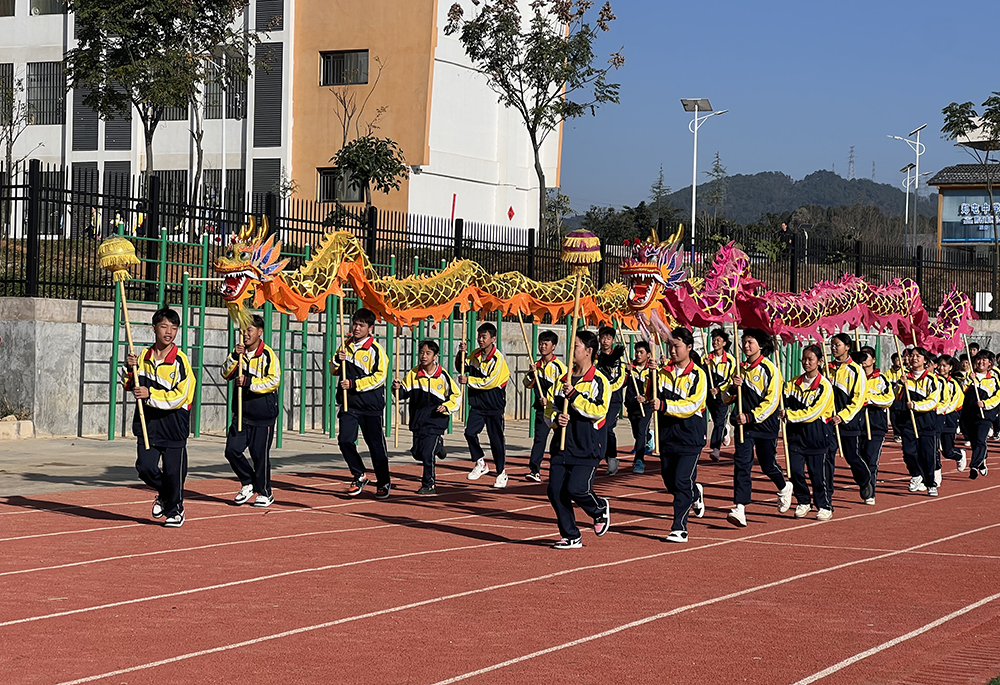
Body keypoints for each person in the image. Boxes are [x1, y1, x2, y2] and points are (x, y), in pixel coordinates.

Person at [123, 307, 196, 528]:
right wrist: (129, 369)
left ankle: (175, 510)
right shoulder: (142, 357)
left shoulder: (180, 361)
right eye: (164, 326)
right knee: (145, 467)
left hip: (173, 425)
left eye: (174, 328)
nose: (169, 332)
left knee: (175, 472)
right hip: (148, 424)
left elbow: (181, 397)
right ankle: (166, 495)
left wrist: (150, 394)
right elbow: (129, 386)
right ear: (154, 328)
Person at [544, 330, 611, 549]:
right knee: (555, 490)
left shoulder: (599, 380)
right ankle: (571, 535)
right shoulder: (563, 378)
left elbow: (599, 410)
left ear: (589, 351)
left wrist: (574, 397)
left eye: (577, 346)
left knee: (577, 488)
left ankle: (599, 509)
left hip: (587, 444)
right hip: (562, 443)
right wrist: (556, 419)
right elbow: (549, 409)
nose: (572, 350)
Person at [725, 328, 792, 527]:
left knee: (767, 464)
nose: (746, 346)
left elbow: (772, 401)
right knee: (742, 464)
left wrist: (751, 416)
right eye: (744, 342)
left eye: (750, 342)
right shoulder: (739, 369)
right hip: (743, 427)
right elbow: (725, 397)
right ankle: (740, 507)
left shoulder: (770, 369)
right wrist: (731, 387)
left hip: (765, 425)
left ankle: (784, 486)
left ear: (760, 345)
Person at [653, 327, 708, 543]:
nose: (672, 351)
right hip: (667, 435)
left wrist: (665, 405)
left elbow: (692, 405)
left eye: (676, 346)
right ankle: (695, 493)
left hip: (690, 436)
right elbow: (652, 397)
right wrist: (652, 374)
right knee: (670, 481)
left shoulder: (698, 375)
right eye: (670, 346)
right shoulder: (663, 372)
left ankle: (679, 527)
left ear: (689, 347)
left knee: (681, 479)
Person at [330, 308, 391, 499]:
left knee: (375, 446)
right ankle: (359, 474)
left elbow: (380, 377)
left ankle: (383, 481)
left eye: (361, 325)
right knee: (345, 440)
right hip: (349, 405)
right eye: (355, 324)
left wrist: (355, 384)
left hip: (370, 406)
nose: (356, 328)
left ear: (370, 328)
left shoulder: (376, 350)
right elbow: (332, 370)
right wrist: (336, 361)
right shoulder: (345, 346)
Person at [222, 314, 281, 507]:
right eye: (243, 330)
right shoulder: (238, 353)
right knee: (232, 450)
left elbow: (274, 381)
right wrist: (234, 357)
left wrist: (250, 383)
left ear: (260, 332)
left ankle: (265, 492)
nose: (245, 334)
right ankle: (248, 482)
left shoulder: (268, 355)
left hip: (263, 416)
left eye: (250, 330)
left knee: (259, 455)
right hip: (241, 414)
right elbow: (225, 373)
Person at [393, 340, 461, 495]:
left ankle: (429, 484)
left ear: (435, 356)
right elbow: (403, 393)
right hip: (418, 420)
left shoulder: (443, 376)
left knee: (426, 454)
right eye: (422, 352)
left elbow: (456, 396)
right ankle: (439, 446)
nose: (424, 356)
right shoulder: (413, 374)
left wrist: (447, 407)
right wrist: (395, 388)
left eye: (428, 353)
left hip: (436, 421)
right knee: (417, 453)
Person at [782, 345, 835, 520]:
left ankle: (824, 505)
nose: (806, 362)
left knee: (817, 474)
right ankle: (804, 501)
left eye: (810, 359)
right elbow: (782, 399)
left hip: (817, 435)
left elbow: (813, 413)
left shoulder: (824, 386)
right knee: (795, 471)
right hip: (796, 436)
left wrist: (789, 414)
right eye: (803, 359)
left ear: (819, 362)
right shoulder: (793, 383)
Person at [457, 322, 510, 488]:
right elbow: (461, 367)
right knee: (470, 433)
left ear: (493, 339)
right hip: (478, 404)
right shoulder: (474, 354)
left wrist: (469, 381)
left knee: (496, 440)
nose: (480, 339)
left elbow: (490, 382)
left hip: (494, 405)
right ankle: (481, 462)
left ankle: (501, 472)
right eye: (479, 336)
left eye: (484, 337)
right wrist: (461, 353)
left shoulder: (498, 359)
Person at [827, 333, 872, 503]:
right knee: (828, 455)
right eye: (832, 344)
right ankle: (827, 492)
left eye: (837, 345)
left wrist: (843, 416)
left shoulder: (856, 370)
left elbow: (858, 399)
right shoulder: (826, 367)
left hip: (848, 421)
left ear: (847, 347)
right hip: (828, 421)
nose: (833, 348)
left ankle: (865, 480)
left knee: (851, 455)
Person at [524, 330, 566, 482]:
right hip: (542, 411)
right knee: (539, 439)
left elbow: (563, 389)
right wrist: (530, 373)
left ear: (553, 346)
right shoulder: (536, 366)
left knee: (558, 441)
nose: (542, 347)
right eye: (541, 343)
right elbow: (527, 384)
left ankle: (558, 468)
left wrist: (550, 402)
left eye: (546, 344)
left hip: (556, 409)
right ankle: (535, 470)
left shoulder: (559, 367)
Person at [901, 347, 941, 496]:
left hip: (926, 422)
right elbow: (897, 398)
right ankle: (916, 474)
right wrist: (900, 385)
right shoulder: (905, 378)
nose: (914, 358)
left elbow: (933, 401)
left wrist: (916, 406)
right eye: (912, 355)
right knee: (908, 452)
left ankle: (930, 483)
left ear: (925, 360)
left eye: (918, 356)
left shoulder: (931, 379)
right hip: (908, 422)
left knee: (927, 455)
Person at [855, 346, 892, 504]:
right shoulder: (855, 377)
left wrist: (869, 398)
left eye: (867, 356)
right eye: (861, 356)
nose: (864, 359)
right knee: (858, 459)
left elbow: (888, 399)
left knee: (871, 458)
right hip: (856, 425)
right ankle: (864, 482)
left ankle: (870, 490)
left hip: (875, 425)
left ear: (874, 359)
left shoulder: (881, 379)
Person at [962, 350, 999, 479]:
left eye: (984, 359)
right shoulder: (969, 376)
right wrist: (969, 379)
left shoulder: (993, 379)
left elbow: (998, 397)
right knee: (974, 442)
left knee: (980, 439)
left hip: (985, 416)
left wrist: (985, 403)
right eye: (979, 359)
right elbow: (961, 390)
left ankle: (974, 465)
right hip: (968, 414)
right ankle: (982, 459)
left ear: (990, 363)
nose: (981, 362)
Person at [597, 326, 628, 475]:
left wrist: (607, 389)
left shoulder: (618, 358)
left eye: (608, 338)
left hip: (613, 399)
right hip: (597, 399)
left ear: (613, 340)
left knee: (608, 428)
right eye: (603, 337)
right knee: (597, 428)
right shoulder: (594, 357)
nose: (605, 341)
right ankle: (601, 454)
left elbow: (619, 378)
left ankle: (612, 458)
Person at [705, 328, 736, 460]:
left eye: (718, 340)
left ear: (724, 343)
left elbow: (730, 378)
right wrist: (704, 366)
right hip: (709, 394)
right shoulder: (706, 358)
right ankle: (724, 431)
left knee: (719, 421)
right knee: (717, 418)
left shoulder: (730, 360)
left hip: (723, 394)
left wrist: (718, 389)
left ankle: (716, 448)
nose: (715, 342)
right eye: (714, 340)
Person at [624, 341, 653, 474]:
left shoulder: (652, 370)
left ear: (648, 354)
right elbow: (621, 383)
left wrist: (646, 398)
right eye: (637, 352)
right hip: (632, 406)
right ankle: (649, 436)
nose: (638, 354)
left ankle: (639, 460)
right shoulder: (630, 368)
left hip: (646, 407)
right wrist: (626, 372)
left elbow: (655, 389)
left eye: (641, 352)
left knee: (640, 432)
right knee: (637, 433)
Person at [936, 355, 967, 478]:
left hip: (948, 419)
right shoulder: (934, 380)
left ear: (950, 368)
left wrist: (942, 410)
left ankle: (959, 454)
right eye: (939, 365)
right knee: (933, 448)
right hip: (935, 419)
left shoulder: (953, 384)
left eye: (944, 366)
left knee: (947, 451)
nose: (941, 368)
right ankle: (935, 473)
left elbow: (955, 402)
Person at [885, 352, 904, 443]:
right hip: (893, 399)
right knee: (894, 418)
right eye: (897, 360)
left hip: (902, 398)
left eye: (901, 360)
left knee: (902, 417)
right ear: (893, 361)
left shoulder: (904, 372)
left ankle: (902, 433)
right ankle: (897, 434)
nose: (900, 362)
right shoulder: (887, 373)